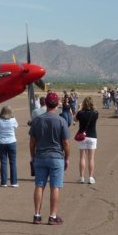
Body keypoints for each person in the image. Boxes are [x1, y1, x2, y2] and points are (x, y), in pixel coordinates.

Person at [29, 92, 70, 225]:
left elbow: (32, 141)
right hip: (56, 156)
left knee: (39, 185)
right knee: (55, 187)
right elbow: (66, 143)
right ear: (57, 104)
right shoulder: (61, 120)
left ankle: (37, 214)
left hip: (40, 156)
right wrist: (67, 158)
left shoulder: (37, 120)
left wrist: (33, 156)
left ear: (45, 103)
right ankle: (52, 216)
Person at [74, 97, 99, 184]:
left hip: (82, 136)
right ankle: (91, 177)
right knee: (91, 158)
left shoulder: (80, 113)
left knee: (82, 158)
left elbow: (74, 119)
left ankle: (82, 177)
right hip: (92, 136)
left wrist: (79, 109)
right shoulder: (95, 113)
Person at [0, 106, 19, 187]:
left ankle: (4, 182)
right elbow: (16, 126)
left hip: (2, 143)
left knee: (3, 163)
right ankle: (14, 182)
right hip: (11, 142)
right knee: (13, 162)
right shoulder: (13, 120)